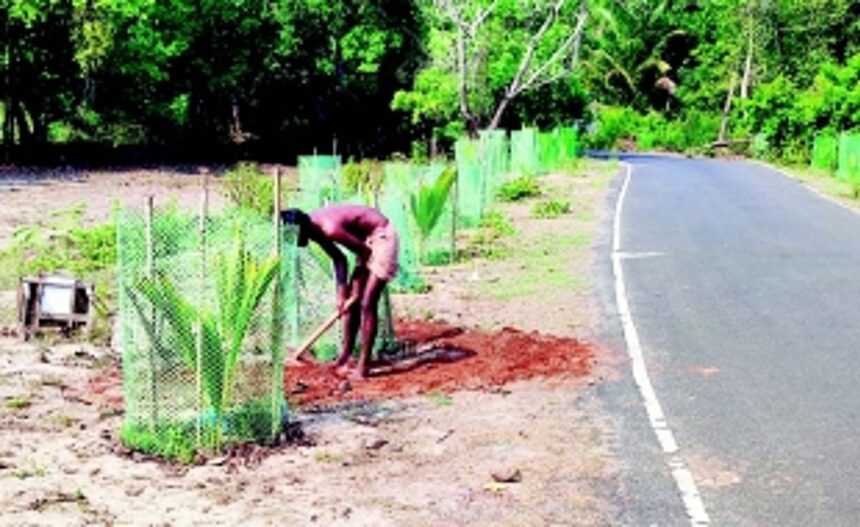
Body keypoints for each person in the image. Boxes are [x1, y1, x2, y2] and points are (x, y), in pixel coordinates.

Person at [281, 204, 398, 380]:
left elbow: (365, 252)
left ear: (301, 229)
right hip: (364, 240)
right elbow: (339, 259)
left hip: (382, 236)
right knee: (351, 307)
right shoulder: (315, 228)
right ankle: (345, 357)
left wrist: (357, 288)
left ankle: (363, 367)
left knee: (367, 303)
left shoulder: (330, 228)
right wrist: (342, 295)